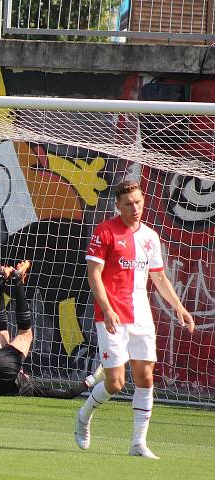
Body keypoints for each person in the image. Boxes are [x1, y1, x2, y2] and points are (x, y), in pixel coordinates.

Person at [75, 180, 195, 459]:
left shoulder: (150, 237)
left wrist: (179, 307)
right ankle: (84, 415)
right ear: (118, 205)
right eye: (129, 204)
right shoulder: (105, 232)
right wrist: (107, 308)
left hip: (141, 315)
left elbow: (159, 277)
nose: (135, 208)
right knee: (115, 383)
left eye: (139, 202)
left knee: (145, 377)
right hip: (112, 315)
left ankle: (138, 444)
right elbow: (94, 275)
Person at [0, 261, 104, 399]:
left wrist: (91, 380)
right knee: (2, 333)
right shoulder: (21, 387)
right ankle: (2, 283)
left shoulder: (27, 386)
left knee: (24, 333)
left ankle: (17, 282)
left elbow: (68, 394)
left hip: (1, 367)